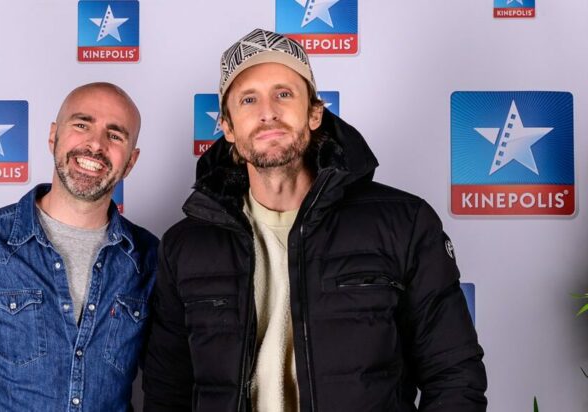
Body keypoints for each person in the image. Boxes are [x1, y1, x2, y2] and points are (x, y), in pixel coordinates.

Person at [142, 29, 487, 411]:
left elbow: (455, 375)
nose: (268, 111)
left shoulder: (402, 223)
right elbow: (167, 391)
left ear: (314, 113)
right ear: (227, 126)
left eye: (284, 94)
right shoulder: (186, 245)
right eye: (248, 99)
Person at [0, 82, 157, 411]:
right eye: (82, 125)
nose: (95, 144)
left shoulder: (148, 258)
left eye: (115, 135)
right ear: (53, 136)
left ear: (131, 161)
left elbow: (169, 383)